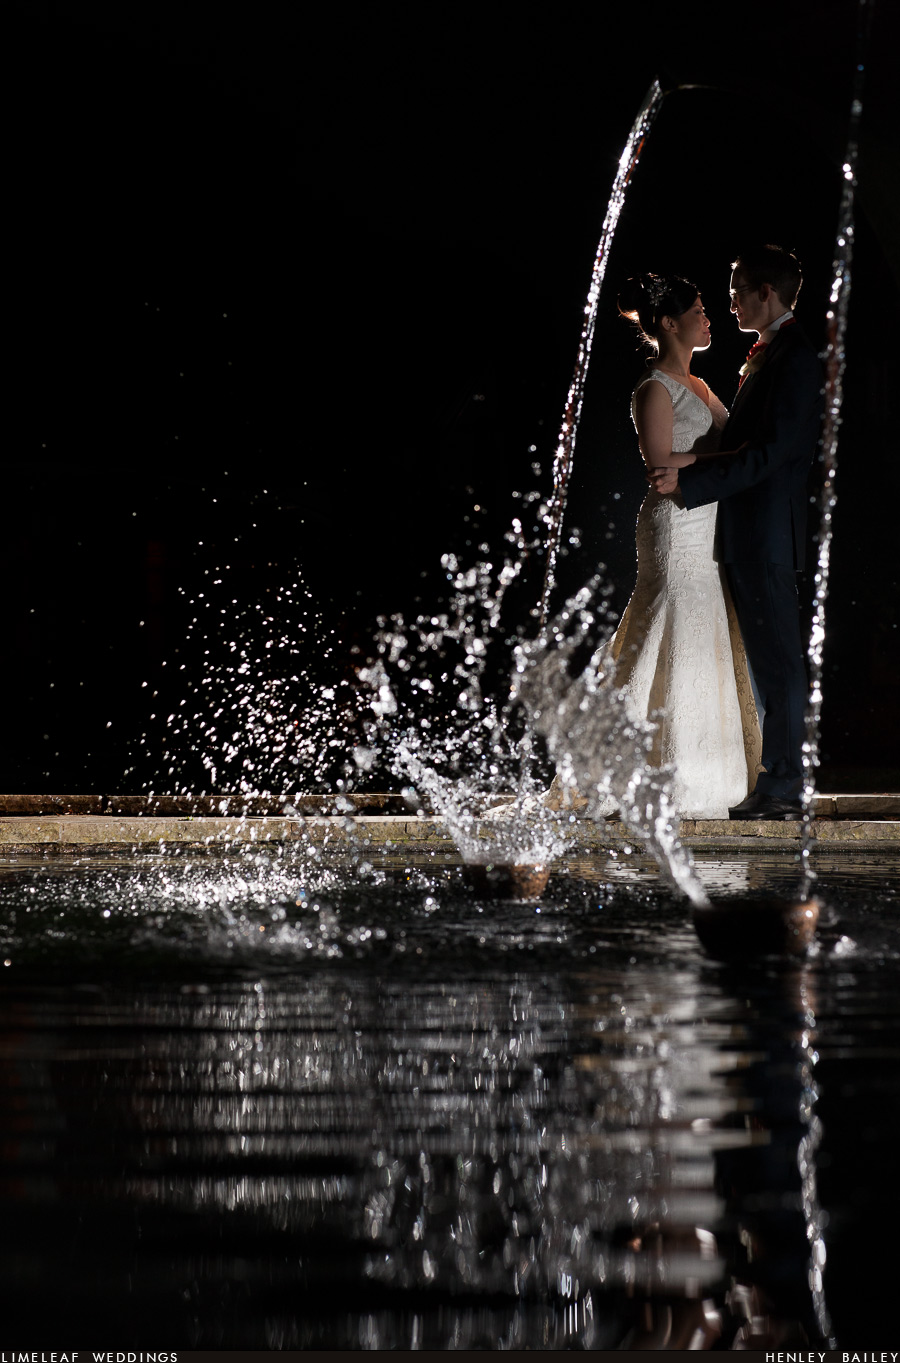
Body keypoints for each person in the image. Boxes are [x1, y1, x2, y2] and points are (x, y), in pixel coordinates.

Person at [549, 272, 761, 820]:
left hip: (710, 522)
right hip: (675, 527)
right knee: (670, 623)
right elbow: (660, 464)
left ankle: (706, 771)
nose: (708, 318)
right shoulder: (655, 389)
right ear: (669, 323)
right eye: (698, 310)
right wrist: (724, 463)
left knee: (705, 627)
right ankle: (631, 772)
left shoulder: (704, 387)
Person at [649, 247, 824, 821]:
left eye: (738, 291)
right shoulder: (773, 353)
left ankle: (785, 785)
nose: (729, 303)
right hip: (749, 530)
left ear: (766, 292)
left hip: (767, 530)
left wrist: (693, 481)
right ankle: (778, 778)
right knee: (769, 661)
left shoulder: (794, 355)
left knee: (779, 661)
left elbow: (771, 453)